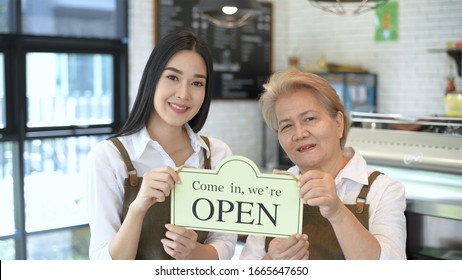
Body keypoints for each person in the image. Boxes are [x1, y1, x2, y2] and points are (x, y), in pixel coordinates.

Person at [85, 30, 236, 260]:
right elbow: (103, 263)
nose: (184, 94)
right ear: (152, 78)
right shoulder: (108, 157)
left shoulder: (217, 155)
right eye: (173, 77)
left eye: (197, 83)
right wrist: (138, 208)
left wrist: (194, 251)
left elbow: (225, 243)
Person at [240, 70, 406, 260]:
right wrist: (270, 263)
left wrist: (336, 211)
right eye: (287, 126)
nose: (300, 133)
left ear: (338, 123)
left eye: (309, 118)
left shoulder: (383, 190)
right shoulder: (272, 192)